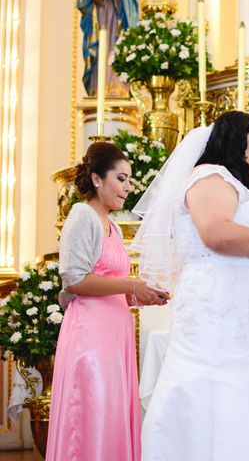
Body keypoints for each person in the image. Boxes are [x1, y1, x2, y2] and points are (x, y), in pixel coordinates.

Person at [133, 111, 249, 460]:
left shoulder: (243, 191)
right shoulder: (208, 176)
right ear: (236, 138)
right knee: (218, 398)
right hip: (218, 314)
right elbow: (216, 235)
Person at [48, 142, 169, 461]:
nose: (129, 187)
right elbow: (74, 279)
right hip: (90, 336)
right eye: (121, 178)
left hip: (115, 337)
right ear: (98, 179)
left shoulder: (112, 225)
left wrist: (143, 295)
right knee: (90, 413)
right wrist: (131, 284)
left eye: (130, 180)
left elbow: (110, 284)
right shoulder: (82, 216)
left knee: (112, 411)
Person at [77, 0, 139, 97]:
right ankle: (99, 88)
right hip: (101, 15)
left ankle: (118, 87)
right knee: (101, 51)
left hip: (119, 19)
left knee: (117, 49)